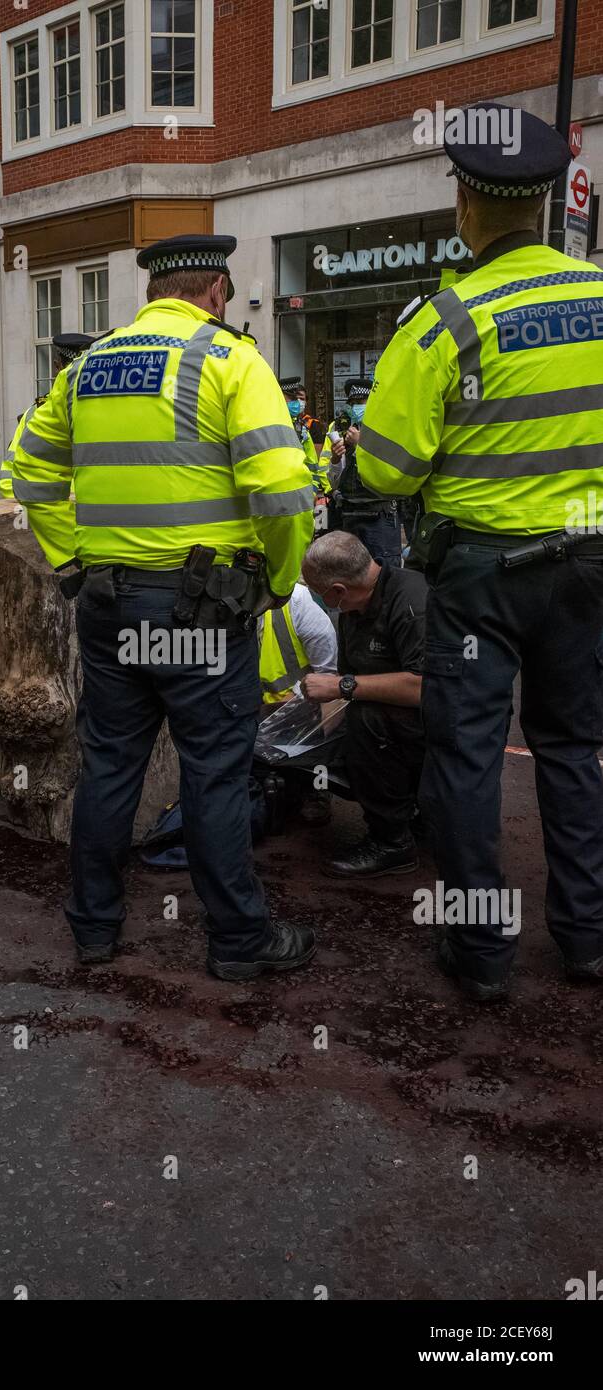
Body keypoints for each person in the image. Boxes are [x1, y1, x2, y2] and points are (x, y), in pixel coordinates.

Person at [10, 233, 316, 980]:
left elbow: (29, 470)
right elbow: (281, 493)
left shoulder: (88, 367)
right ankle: (238, 942)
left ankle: (93, 929)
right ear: (216, 291)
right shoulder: (229, 360)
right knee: (212, 772)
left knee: (110, 766)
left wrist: (70, 562)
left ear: (153, 292)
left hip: (111, 608)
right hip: (200, 618)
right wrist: (277, 580)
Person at [356, 101, 603, 1000]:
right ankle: (585, 938)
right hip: (586, 562)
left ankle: (482, 952)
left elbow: (383, 470)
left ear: (466, 203)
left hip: (479, 575)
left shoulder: (444, 319)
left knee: (464, 757)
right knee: (573, 749)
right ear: (541, 201)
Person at [300, 532, 427, 877]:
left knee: (367, 721)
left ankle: (391, 842)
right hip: (404, 715)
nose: (323, 601)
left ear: (338, 590)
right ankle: (413, 812)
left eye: (321, 593)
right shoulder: (358, 607)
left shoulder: (412, 604)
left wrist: (343, 687)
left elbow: (424, 688)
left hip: (443, 718)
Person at [0, 334, 96, 500]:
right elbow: (9, 480)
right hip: (62, 515)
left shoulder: (34, 414)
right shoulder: (34, 414)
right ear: (57, 368)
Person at [319, 378, 402, 567]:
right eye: (353, 403)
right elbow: (335, 481)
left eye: (361, 403)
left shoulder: (385, 426)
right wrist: (335, 459)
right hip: (349, 513)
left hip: (379, 513)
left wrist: (360, 445)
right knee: (351, 572)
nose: (356, 407)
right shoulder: (340, 426)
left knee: (383, 572)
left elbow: (392, 468)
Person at [260, 581, 337, 703]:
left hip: (304, 707)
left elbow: (329, 675)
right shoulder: (222, 611)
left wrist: (282, 708)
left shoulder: (296, 600)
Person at [280, 375, 327, 493]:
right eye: (292, 399)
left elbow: (312, 464)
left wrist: (313, 492)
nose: (297, 403)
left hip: (300, 496)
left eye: (298, 399)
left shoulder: (302, 429)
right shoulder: (269, 425)